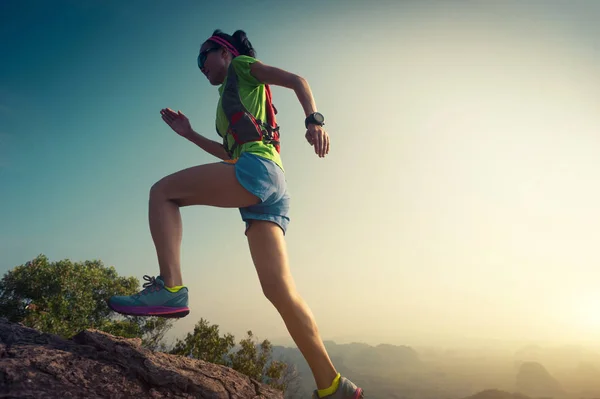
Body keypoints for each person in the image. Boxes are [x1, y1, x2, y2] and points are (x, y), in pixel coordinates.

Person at [107, 29, 364, 399]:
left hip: (258, 172)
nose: (201, 66)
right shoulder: (230, 103)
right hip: (272, 184)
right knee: (278, 289)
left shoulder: (242, 67)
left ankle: (171, 288)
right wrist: (190, 134)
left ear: (225, 52)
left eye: (203, 57)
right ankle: (334, 385)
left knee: (162, 193)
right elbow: (230, 156)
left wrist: (314, 120)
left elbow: (297, 80)